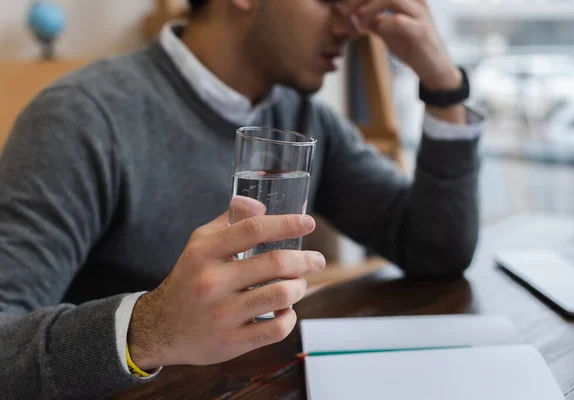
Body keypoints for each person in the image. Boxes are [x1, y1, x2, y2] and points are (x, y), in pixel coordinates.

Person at [0, 0, 483, 398]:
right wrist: (148, 328)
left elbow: (435, 249)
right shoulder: (80, 119)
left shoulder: (304, 119)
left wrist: (444, 87)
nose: (352, 22)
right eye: (331, 1)